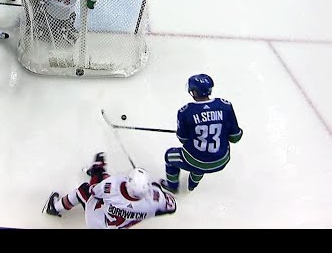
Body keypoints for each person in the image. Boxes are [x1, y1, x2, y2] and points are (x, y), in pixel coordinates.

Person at [44, 152, 177, 229]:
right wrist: (156, 189)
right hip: (119, 225)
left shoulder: (111, 188)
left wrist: (98, 169)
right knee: (104, 181)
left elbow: (94, 190)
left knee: (84, 190)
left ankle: (55, 207)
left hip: (99, 222)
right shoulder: (155, 201)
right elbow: (171, 207)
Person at [161, 74, 243, 193]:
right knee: (201, 162)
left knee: (169, 156)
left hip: (196, 160)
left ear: (194, 91)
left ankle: (172, 186)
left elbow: (182, 138)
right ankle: (192, 185)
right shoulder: (225, 106)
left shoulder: (185, 111)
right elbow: (235, 137)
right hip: (222, 160)